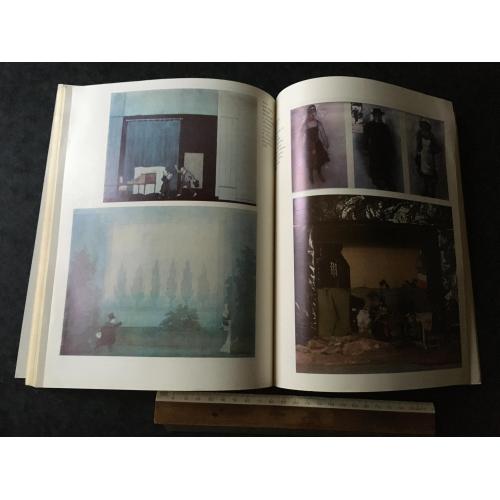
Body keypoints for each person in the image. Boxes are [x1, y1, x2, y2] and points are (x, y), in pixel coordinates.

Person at [363, 108, 395, 190]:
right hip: (374, 150)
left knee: (383, 167)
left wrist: (390, 151)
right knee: (374, 167)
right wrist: (366, 148)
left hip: (383, 151)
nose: (377, 116)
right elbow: (365, 138)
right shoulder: (369, 125)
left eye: (379, 115)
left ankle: (384, 183)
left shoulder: (384, 127)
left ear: (380, 116)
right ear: (373, 116)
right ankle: (377, 183)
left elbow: (389, 140)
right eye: (376, 115)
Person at [303, 104, 330, 184]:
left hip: (317, 143)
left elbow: (322, 133)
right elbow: (301, 135)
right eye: (311, 113)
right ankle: (310, 175)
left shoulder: (318, 123)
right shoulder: (306, 124)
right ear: (308, 113)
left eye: (314, 113)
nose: (313, 115)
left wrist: (325, 142)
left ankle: (319, 173)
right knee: (310, 160)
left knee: (319, 160)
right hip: (309, 145)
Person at [415, 120, 441, 197]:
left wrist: (432, 150)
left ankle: (431, 193)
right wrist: (418, 155)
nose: (423, 128)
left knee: (431, 177)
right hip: (422, 158)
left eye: (425, 126)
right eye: (422, 126)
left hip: (430, 158)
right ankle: (425, 192)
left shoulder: (431, 136)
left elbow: (437, 148)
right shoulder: (419, 134)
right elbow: (418, 147)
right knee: (424, 178)